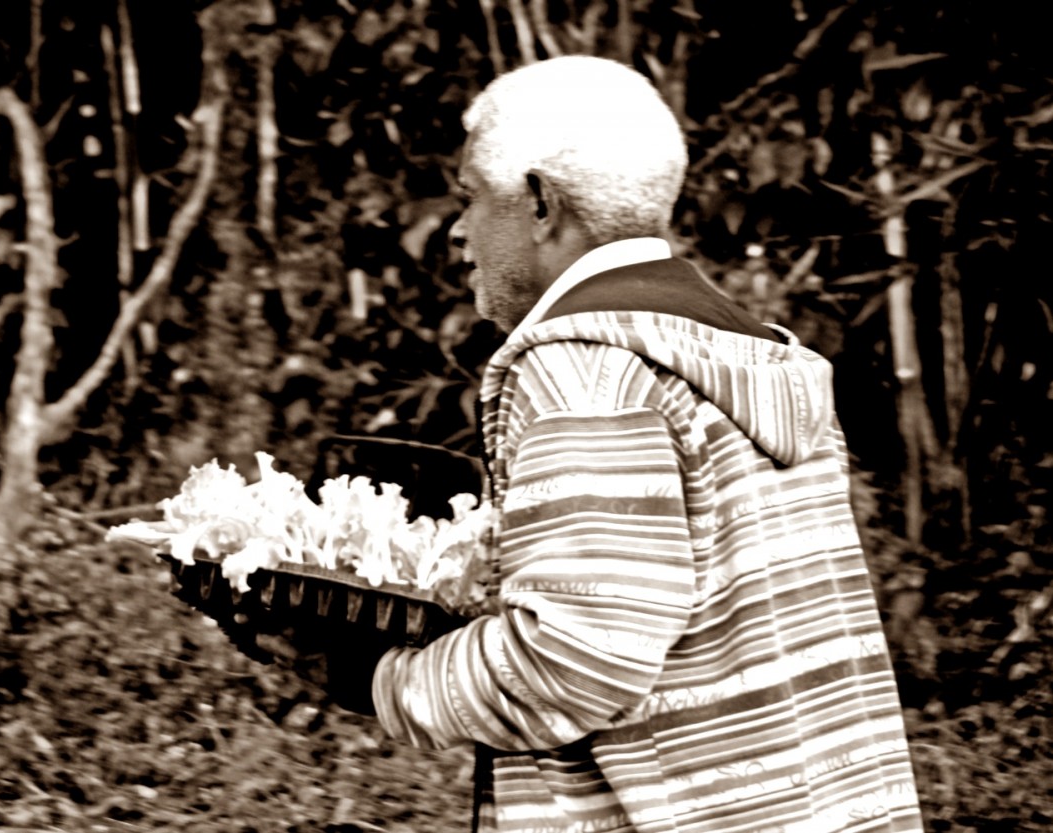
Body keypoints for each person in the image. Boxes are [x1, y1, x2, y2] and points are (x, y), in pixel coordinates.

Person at [362, 55, 926, 832]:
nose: (457, 231)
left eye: (471, 199)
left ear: (540, 204)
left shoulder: (584, 368)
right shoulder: (754, 348)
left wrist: (379, 679)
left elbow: (572, 660)